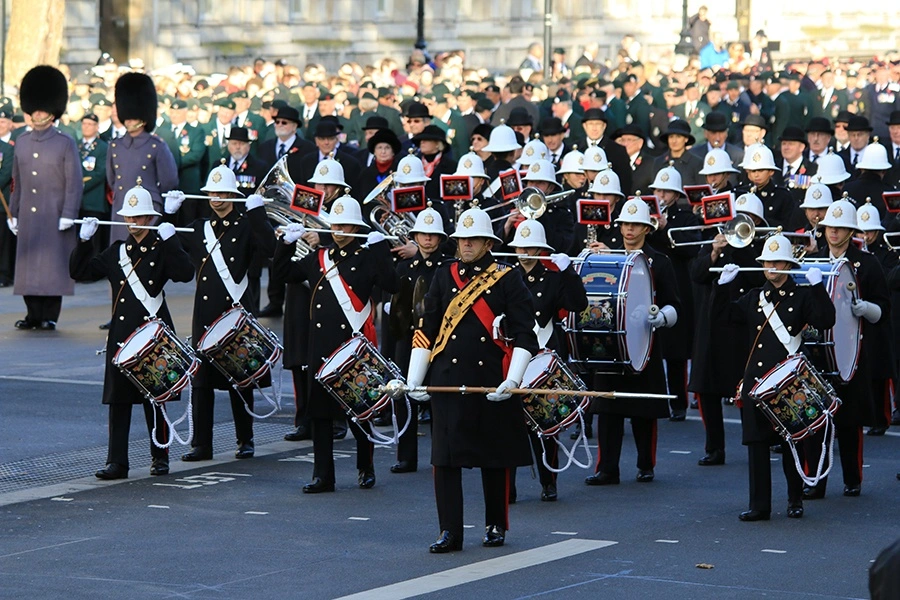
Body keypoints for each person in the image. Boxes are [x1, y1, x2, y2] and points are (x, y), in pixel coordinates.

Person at [395, 205, 537, 552]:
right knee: (444, 459)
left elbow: (524, 333)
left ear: (488, 243)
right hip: (448, 377)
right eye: (463, 239)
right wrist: (415, 378)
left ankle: (494, 524)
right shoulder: (445, 275)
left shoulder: (507, 277)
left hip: (490, 379)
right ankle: (449, 531)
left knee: (494, 457)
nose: (467, 245)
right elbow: (426, 327)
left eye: (474, 239)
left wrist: (513, 379)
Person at [273, 194, 398, 493]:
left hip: (353, 345)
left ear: (355, 228)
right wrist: (284, 244)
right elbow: (283, 274)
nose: (341, 230)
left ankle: (365, 466)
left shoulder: (367, 256)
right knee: (320, 415)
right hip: (322, 348)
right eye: (337, 224)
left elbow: (393, 285)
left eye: (347, 225)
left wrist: (381, 248)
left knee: (359, 412)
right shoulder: (320, 257)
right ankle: (323, 475)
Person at [70, 184, 194, 480]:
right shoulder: (117, 252)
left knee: (156, 397)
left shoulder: (161, 247)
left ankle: (160, 455)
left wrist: (172, 239)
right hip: (123, 335)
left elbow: (184, 273)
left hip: (153, 330)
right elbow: (81, 273)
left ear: (150, 218)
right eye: (130, 217)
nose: (133, 223)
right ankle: (117, 461)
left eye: (139, 217)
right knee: (119, 400)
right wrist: (84, 242)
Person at [713, 232, 835, 520]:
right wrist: (721, 288)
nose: (772, 267)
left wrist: (819, 288)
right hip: (757, 382)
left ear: (789, 265)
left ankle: (795, 499)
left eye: (779, 262)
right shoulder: (754, 297)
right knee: (756, 444)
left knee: (790, 442)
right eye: (768, 261)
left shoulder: (803, 296)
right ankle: (760, 505)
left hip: (787, 382)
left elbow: (826, 320)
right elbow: (722, 320)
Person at [162, 165, 276, 462]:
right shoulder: (200, 227)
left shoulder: (246, 225)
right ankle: (202, 444)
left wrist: (258, 216)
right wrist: (169, 217)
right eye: (212, 193)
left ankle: (245, 439)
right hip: (205, 314)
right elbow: (172, 253)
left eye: (223, 193)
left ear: (234, 195)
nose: (217, 198)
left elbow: (271, 250)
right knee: (201, 382)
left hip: (237, 310)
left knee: (242, 376)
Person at [584, 198, 681, 486]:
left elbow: (674, 305)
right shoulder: (609, 257)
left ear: (647, 228)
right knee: (608, 410)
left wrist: (660, 318)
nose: (629, 229)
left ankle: (645, 464)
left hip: (643, 343)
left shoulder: (660, 262)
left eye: (635, 224)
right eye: (626, 223)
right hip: (611, 345)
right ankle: (607, 468)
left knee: (643, 409)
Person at [802, 198, 890, 499]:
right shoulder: (814, 260)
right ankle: (815, 479)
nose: (834, 234)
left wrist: (865, 308)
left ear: (851, 231)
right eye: (830, 228)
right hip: (815, 351)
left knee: (850, 422)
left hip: (851, 351)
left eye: (840, 229)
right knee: (816, 420)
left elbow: (883, 308)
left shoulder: (867, 263)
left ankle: (853, 478)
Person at [507, 219, 588, 501]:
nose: (525, 251)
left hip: (544, 353)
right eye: (521, 246)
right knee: (511, 424)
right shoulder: (506, 276)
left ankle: (549, 480)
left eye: (531, 247)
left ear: (540, 248)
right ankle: (509, 487)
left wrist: (569, 273)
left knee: (546, 423)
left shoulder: (552, 279)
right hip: (514, 352)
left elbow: (578, 304)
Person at [8, 66, 83, 330]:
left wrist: (69, 214)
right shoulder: (23, 141)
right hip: (28, 213)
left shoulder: (65, 142)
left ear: (52, 111)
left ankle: (50, 315)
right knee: (30, 267)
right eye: (35, 109)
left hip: (55, 213)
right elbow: (17, 182)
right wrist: (14, 214)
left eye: (42, 109)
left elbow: (74, 183)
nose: (38, 114)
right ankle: (33, 315)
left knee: (53, 266)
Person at [388, 205, 449, 473]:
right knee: (404, 395)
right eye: (423, 234)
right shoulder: (404, 266)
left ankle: (441, 453)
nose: (427, 239)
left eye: (433, 235)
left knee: (437, 396)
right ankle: (406, 456)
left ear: (440, 238)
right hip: (409, 338)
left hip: (437, 339)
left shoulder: (448, 268)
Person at [106, 72, 179, 244]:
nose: (129, 121)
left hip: (146, 210)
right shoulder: (115, 145)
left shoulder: (156, 146)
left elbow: (169, 181)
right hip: (122, 209)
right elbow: (112, 179)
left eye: (134, 117)